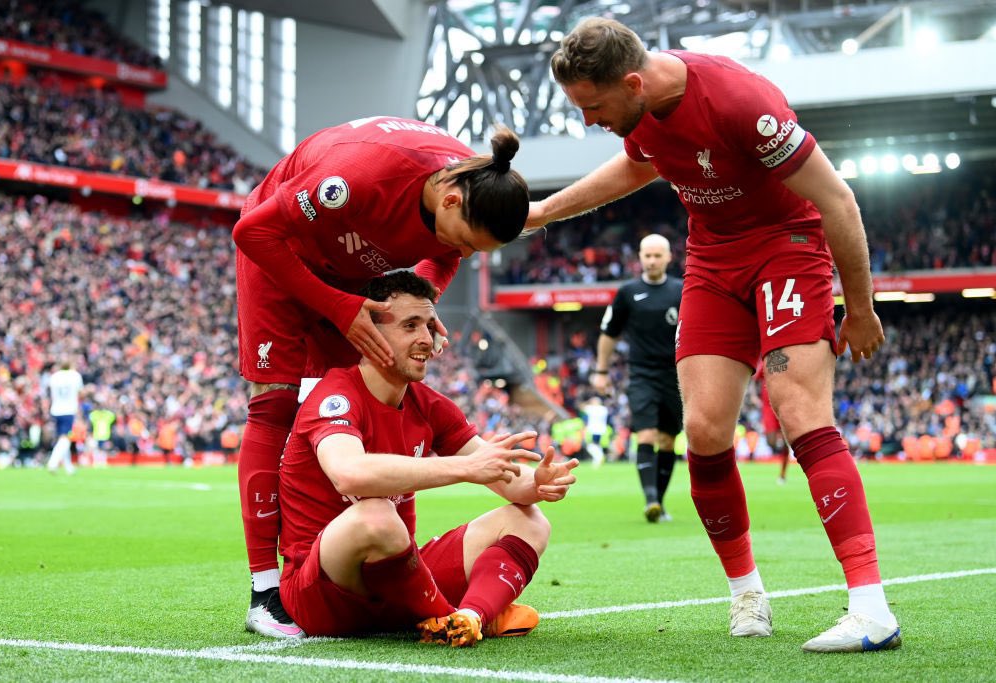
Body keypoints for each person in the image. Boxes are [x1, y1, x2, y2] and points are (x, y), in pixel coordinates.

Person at [527, 17, 900, 653]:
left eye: (592, 107)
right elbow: (632, 169)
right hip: (710, 259)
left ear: (634, 82)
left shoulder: (737, 101)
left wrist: (858, 307)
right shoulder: (638, 112)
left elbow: (837, 199)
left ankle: (871, 608)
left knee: (799, 409)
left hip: (787, 246)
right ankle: (747, 594)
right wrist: (540, 212)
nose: (588, 121)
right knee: (701, 430)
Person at [232, 116, 531, 638]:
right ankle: (265, 593)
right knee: (274, 407)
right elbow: (252, 230)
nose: (462, 255)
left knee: (364, 388)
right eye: (466, 242)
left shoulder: (473, 181)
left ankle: (355, 559)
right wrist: (338, 306)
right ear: (452, 201)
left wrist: (424, 300)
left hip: (354, 272)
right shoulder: (358, 178)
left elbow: (442, 256)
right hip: (281, 249)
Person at [277, 270, 579, 645]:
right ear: (368, 334)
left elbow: (508, 479)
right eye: (410, 325)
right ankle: (444, 615)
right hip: (325, 594)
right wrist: (465, 468)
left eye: (428, 326)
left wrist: (537, 484)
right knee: (376, 515)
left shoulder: (430, 405)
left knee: (530, 522)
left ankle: (469, 618)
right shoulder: (335, 396)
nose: (427, 339)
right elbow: (349, 474)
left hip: (399, 581)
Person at [591, 234, 682, 523]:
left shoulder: (682, 291)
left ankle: (660, 501)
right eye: (647, 255)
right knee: (646, 435)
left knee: (668, 441)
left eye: (657, 255)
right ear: (639, 257)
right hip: (642, 374)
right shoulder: (628, 292)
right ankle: (651, 500)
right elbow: (609, 333)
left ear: (668, 257)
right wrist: (602, 370)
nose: (652, 260)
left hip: (675, 376)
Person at [45, 359, 84, 475]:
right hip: (68, 409)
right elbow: (80, 392)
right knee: (65, 438)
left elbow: (50, 393)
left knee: (61, 438)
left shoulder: (54, 376)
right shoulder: (75, 375)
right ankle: (53, 462)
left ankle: (68, 466)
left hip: (56, 409)